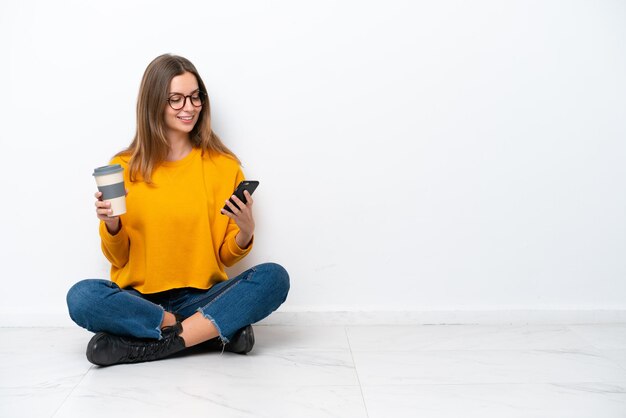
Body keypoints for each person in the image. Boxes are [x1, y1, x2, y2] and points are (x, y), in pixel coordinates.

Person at [66, 54, 290, 366]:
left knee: (274, 278)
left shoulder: (224, 167)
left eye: (195, 96)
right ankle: (208, 331)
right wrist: (113, 225)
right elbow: (118, 259)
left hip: (201, 295)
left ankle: (152, 344)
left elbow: (224, 257)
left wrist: (246, 230)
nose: (189, 107)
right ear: (154, 103)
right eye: (176, 99)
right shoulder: (123, 167)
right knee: (82, 297)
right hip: (141, 301)